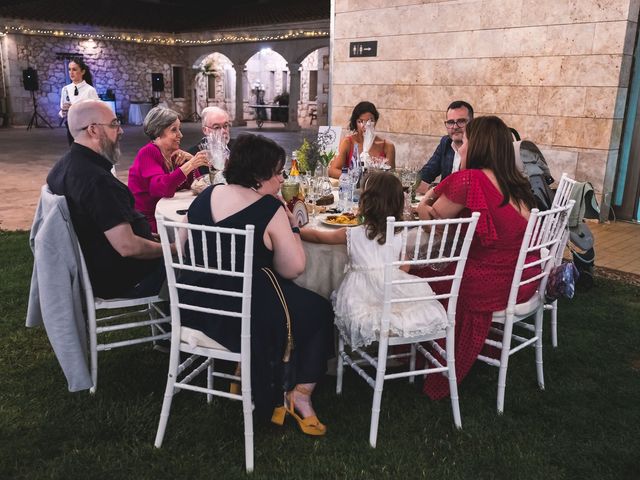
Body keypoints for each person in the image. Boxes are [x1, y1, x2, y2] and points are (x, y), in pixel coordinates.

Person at [179, 133, 333, 434]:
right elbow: (294, 269)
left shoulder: (204, 197)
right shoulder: (269, 210)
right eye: (278, 173)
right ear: (259, 176)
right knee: (319, 310)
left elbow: (185, 249)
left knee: (288, 299)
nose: (281, 179)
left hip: (197, 306)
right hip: (246, 314)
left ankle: (246, 370)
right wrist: (292, 227)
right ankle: (300, 394)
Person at [413, 115, 539, 400]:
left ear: (479, 145)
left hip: (492, 283)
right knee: (431, 268)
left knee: (417, 273)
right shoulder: (515, 183)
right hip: (523, 278)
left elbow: (435, 229)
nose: (460, 146)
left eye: (466, 140)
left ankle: (410, 351)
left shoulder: (473, 179)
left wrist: (422, 203)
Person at [301, 172, 447, 348]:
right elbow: (405, 268)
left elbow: (319, 237)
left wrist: (296, 229)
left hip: (361, 298)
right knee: (409, 307)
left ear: (365, 203)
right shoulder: (400, 235)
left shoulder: (352, 233)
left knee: (361, 308)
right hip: (391, 296)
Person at [47, 100, 169, 299]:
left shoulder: (64, 166)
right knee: (195, 264)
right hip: (121, 279)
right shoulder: (96, 181)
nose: (121, 131)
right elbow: (127, 247)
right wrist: (172, 249)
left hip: (96, 267)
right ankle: (185, 325)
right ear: (93, 130)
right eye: (114, 124)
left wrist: (150, 236)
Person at [128, 107, 210, 233]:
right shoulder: (148, 152)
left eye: (179, 129)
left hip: (168, 214)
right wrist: (190, 165)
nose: (180, 135)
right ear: (158, 132)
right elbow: (161, 188)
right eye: (174, 130)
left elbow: (195, 186)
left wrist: (189, 161)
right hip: (150, 222)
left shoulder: (173, 155)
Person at [416, 100, 474, 194]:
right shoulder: (446, 143)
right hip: (443, 203)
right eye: (450, 122)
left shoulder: (480, 148)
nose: (455, 127)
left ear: (472, 123)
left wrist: (434, 191)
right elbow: (426, 174)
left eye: (461, 121)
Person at [328, 101, 395, 178]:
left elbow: (391, 178)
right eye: (360, 121)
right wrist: (353, 176)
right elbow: (333, 170)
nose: (365, 126)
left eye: (370, 121)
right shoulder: (348, 143)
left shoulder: (387, 146)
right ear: (355, 123)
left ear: (375, 122)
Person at [59, 58, 99, 145]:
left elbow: (96, 111)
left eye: (74, 69)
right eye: (69, 69)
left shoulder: (90, 90)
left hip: (85, 129)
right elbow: (62, 111)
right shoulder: (65, 89)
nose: (71, 72)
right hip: (70, 127)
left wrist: (76, 108)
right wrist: (64, 111)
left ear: (83, 72)